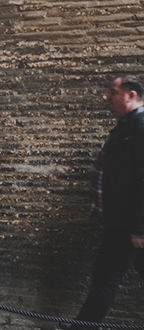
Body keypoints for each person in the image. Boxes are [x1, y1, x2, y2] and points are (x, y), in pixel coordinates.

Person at [69, 75, 144, 329]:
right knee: (105, 277)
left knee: (105, 279)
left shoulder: (140, 124)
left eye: (113, 92)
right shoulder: (127, 125)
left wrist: (139, 226)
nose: (108, 97)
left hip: (128, 227)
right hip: (121, 223)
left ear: (131, 95)